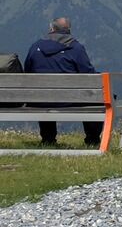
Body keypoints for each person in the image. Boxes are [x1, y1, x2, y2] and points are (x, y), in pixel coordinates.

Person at [23, 17, 103, 145]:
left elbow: (27, 73)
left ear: (51, 29)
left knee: (45, 95)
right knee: (97, 98)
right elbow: (89, 76)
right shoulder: (76, 48)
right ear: (68, 30)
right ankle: (92, 140)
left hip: (40, 100)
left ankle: (48, 140)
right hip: (70, 101)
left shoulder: (35, 47)